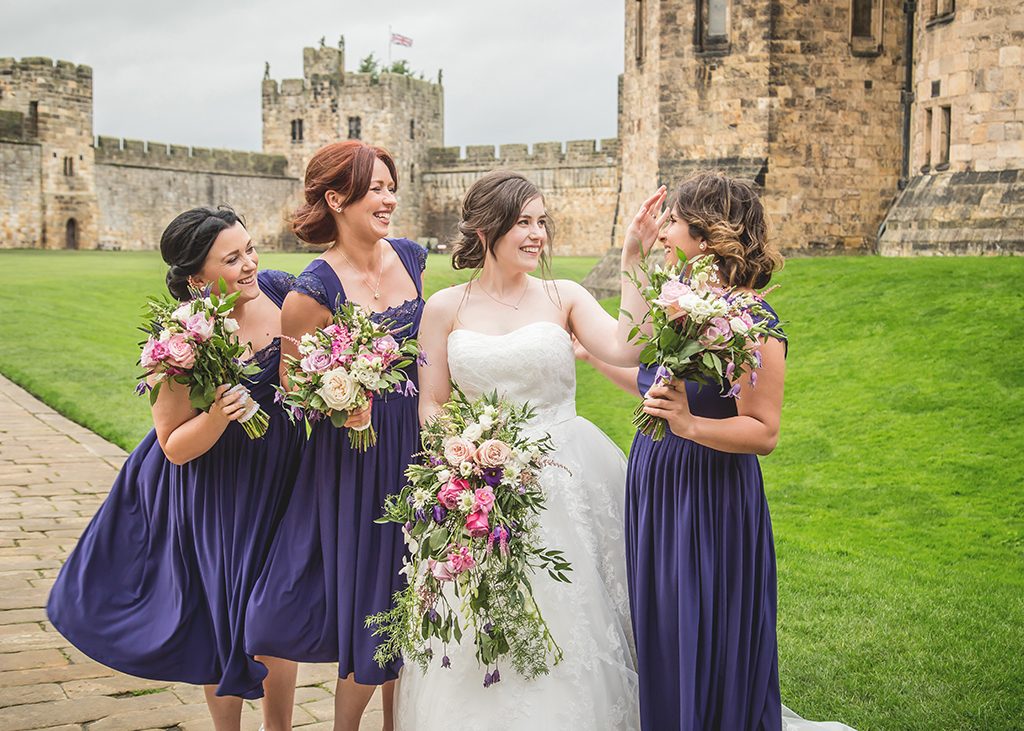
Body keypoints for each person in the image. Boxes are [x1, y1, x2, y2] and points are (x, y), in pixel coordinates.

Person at [582, 171, 853, 730]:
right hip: (657, 481)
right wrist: (591, 355)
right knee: (660, 620)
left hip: (708, 492)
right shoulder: (683, 304)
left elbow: (764, 430)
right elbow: (650, 383)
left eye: (673, 222)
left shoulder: (752, 321)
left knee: (700, 619)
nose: (663, 233)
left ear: (708, 235)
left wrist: (688, 427)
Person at [394, 170, 642, 730]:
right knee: (488, 624)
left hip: (569, 477)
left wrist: (632, 256)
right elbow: (431, 406)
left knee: (576, 618)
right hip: (482, 493)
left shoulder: (565, 295)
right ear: (487, 228)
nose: (537, 235)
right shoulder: (443, 308)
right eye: (523, 222)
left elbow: (628, 349)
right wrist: (460, 465)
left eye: (541, 223)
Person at [47, 206, 303, 731]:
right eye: (232, 258)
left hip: (281, 477)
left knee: (276, 611)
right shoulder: (182, 340)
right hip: (215, 489)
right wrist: (216, 415)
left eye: (249, 249)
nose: (251, 263)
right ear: (196, 278)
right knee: (222, 613)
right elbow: (174, 445)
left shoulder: (279, 290)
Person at [244, 141, 426, 731]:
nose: (389, 198)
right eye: (375, 188)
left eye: (390, 186)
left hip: (416, 452)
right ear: (335, 199)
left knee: (413, 597)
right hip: (353, 462)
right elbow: (295, 393)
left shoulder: (413, 258)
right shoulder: (310, 293)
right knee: (371, 600)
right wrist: (340, 398)